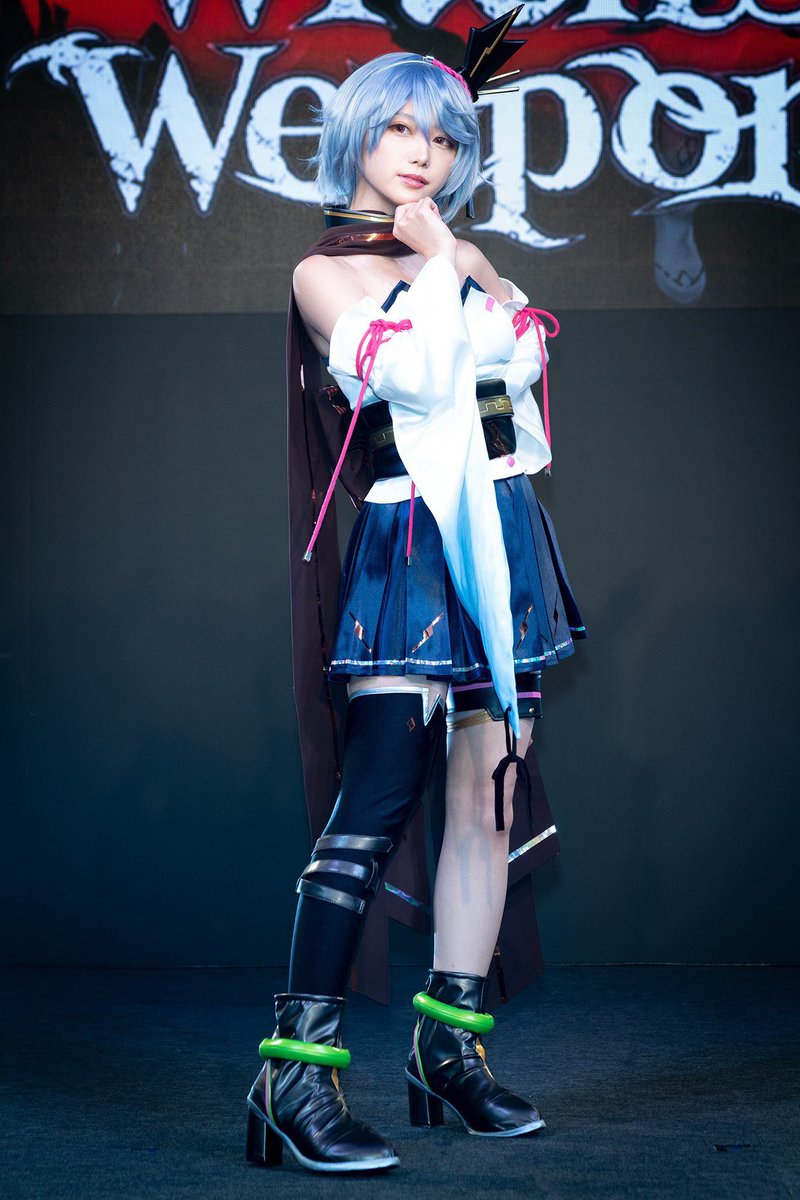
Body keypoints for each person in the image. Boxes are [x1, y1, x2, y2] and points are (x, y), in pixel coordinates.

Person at [245, 29, 586, 1175]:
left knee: (486, 797)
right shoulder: (324, 273)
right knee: (377, 800)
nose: (420, 155)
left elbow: (519, 379)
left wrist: (459, 267)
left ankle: (449, 1054)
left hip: (500, 533)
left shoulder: (458, 253)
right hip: (408, 544)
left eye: (441, 138)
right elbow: (421, 375)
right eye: (398, 129)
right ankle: (293, 1075)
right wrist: (449, 266)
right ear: (354, 135)